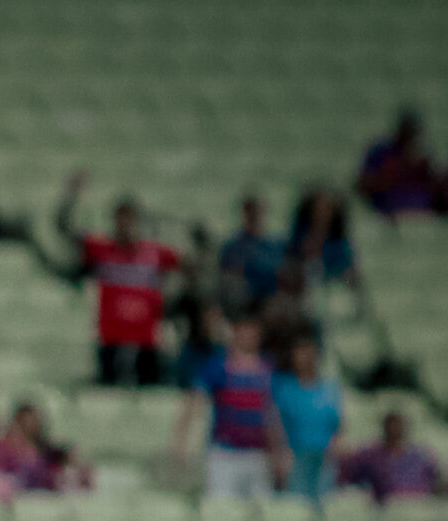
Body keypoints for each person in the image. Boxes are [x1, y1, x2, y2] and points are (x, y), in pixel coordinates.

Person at [57, 173, 183, 386]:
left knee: (150, 393)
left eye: (130, 218)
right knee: (108, 395)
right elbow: (64, 229)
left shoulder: (156, 253)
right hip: (110, 337)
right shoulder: (101, 249)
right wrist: (71, 196)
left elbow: (187, 265)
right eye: (120, 218)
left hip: (146, 339)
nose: (125, 224)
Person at [173, 315, 283, 503]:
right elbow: (195, 401)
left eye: (254, 332)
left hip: (258, 455)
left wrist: (279, 451)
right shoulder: (218, 366)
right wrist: (181, 440)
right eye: (245, 330)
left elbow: (273, 415)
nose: (249, 336)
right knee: (221, 511)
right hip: (225, 454)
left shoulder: (268, 370)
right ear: (235, 332)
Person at [270, 336, 343, 511]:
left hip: (324, 457)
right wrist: (279, 456)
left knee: (324, 506)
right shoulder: (285, 388)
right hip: (296, 456)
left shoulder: (331, 389)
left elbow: (338, 425)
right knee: (297, 506)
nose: (306, 358)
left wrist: (336, 450)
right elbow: (276, 425)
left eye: (310, 354)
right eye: (300, 354)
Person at [339, 410, 444, 504]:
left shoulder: (419, 455)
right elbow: (347, 473)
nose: (394, 430)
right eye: (391, 426)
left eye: (398, 426)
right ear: (385, 429)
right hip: (389, 507)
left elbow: (437, 479)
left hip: (420, 504)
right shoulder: (371, 455)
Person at [357, 110, 438, 217]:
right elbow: (363, 183)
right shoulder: (381, 152)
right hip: (387, 212)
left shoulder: (422, 158)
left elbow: (435, 185)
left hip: (420, 215)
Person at [217, 194, 282, 316]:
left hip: (270, 296)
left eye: (258, 211)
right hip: (244, 297)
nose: (255, 215)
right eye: (251, 211)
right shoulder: (233, 245)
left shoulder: (275, 244)